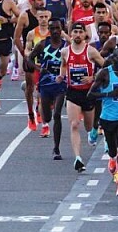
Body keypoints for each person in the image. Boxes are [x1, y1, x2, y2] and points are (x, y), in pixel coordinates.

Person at [88, 48, 118, 198]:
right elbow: (90, 94)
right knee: (113, 149)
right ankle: (113, 158)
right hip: (108, 117)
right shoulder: (105, 73)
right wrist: (109, 94)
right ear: (113, 59)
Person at [62, 22, 105, 172]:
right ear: (71, 34)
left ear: (85, 34)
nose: (78, 35)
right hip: (72, 92)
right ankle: (78, 158)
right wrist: (61, 76)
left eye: (81, 32)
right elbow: (63, 65)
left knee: (88, 126)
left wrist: (93, 78)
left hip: (88, 93)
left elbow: (105, 67)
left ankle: (93, 130)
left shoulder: (91, 51)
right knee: (74, 124)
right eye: (75, 32)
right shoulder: (65, 52)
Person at [31, 19, 68, 158]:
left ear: (62, 29)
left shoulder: (66, 46)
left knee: (57, 114)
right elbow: (29, 58)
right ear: (49, 30)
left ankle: (56, 148)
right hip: (45, 84)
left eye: (57, 28)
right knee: (47, 117)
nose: (55, 31)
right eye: (52, 28)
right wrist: (38, 68)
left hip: (60, 84)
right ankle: (41, 112)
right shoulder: (42, 44)